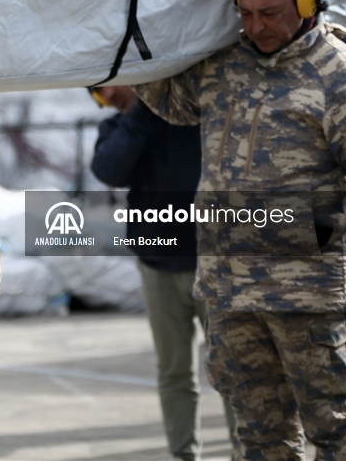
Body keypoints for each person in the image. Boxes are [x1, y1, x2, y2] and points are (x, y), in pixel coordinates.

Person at [134, 0, 346, 461]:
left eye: (269, 13)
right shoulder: (224, 66)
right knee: (259, 440)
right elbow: (170, 101)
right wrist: (130, 43)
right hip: (229, 292)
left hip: (308, 296)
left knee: (337, 434)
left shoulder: (341, 75)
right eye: (246, 13)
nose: (256, 26)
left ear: (305, 3)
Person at [90, 85, 238, 461]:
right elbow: (109, 170)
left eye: (109, 86)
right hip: (158, 267)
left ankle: (248, 452)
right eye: (97, 94)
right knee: (174, 371)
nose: (107, 96)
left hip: (214, 264)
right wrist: (141, 113)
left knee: (236, 371)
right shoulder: (121, 129)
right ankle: (184, 454)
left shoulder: (190, 117)